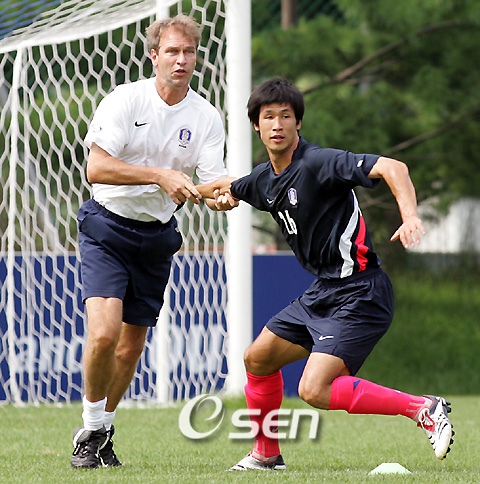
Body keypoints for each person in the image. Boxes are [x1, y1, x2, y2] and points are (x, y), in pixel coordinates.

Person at [196, 77, 454, 471]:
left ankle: (423, 408)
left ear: (298, 122)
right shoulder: (264, 179)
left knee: (314, 389)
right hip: (324, 292)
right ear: (256, 126)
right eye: (269, 117)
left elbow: (393, 167)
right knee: (258, 359)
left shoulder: (319, 163)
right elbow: (227, 186)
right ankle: (266, 455)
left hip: (362, 291)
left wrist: (411, 216)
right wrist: (190, 191)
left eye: (286, 116)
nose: (278, 124)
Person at [72, 14, 237, 469]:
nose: (181, 60)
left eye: (189, 52)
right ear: (154, 56)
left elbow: (211, 184)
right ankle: (89, 429)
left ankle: (103, 431)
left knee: (130, 348)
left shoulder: (206, 116)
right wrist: (159, 176)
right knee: (104, 334)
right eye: (172, 51)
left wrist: (224, 197)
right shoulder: (126, 100)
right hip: (107, 228)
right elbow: (96, 169)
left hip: (157, 236)